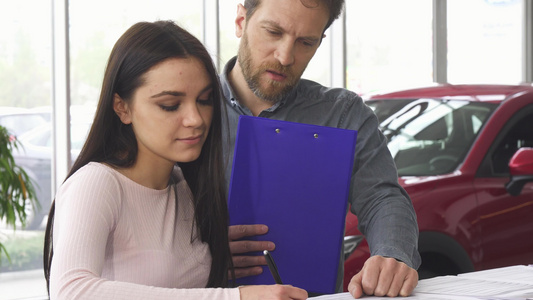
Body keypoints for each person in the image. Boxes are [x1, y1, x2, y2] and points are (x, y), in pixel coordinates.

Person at [43, 20, 308, 300]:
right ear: (122, 107)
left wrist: (215, 255)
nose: (196, 120)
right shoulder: (96, 183)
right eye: (170, 105)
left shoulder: (183, 184)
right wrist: (235, 297)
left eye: (205, 100)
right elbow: (71, 291)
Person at [221, 0, 422, 298]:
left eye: (306, 42)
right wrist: (200, 253)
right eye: (273, 32)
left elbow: (382, 197)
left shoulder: (342, 114)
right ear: (241, 21)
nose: (285, 56)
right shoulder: (185, 110)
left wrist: (393, 255)